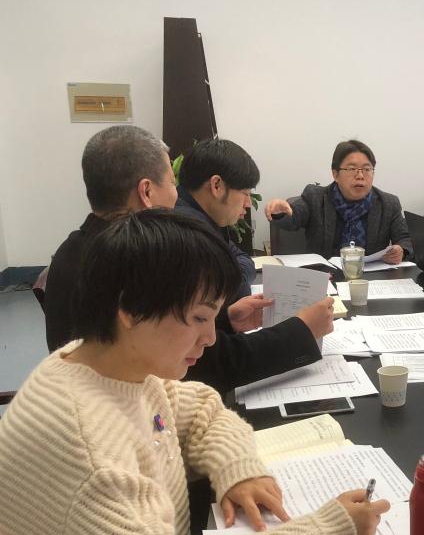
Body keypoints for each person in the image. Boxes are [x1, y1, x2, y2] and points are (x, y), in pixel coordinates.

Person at [0, 209, 391, 535]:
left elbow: (201, 408)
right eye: (200, 319)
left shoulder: (109, 363)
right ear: (130, 309)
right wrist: (326, 533)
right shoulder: (83, 445)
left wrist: (237, 468)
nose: (210, 338)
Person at [45, 125, 333, 394]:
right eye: (172, 183)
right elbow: (207, 365)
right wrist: (301, 332)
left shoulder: (70, 251)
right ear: (146, 192)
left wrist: (224, 320)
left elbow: (169, 337)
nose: (177, 198)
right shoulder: (146, 260)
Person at [264, 139, 412, 262]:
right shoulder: (315, 197)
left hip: (370, 279)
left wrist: (401, 250)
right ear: (335, 174)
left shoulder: (388, 204)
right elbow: (294, 217)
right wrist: (280, 213)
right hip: (326, 278)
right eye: (352, 169)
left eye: (367, 169)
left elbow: (406, 239)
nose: (360, 176)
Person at [174, 137, 259, 300]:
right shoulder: (186, 231)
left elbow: (242, 257)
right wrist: (238, 276)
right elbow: (236, 290)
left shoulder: (207, 217)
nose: (248, 204)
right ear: (217, 186)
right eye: (245, 193)